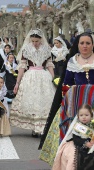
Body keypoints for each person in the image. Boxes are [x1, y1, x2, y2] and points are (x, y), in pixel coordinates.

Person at [39, 32, 94, 166]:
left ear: (93, 45)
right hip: (75, 105)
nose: (85, 46)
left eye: (88, 43)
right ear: (77, 45)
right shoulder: (72, 61)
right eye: (82, 43)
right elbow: (67, 83)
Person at [9, 29, 56, 136]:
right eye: (33, 41)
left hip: (44, 77)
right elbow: (22, 66)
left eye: (37, 41)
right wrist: (17, 82)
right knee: (32, 100)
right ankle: (34, 127)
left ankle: (42, 127)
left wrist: (53, 79)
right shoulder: (26, 49)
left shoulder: (46, 49)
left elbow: (49, 65)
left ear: (41, 40)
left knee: (43, 101)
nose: (35, 43)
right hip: (30, 77)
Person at [52, 104, 94, 170]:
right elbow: (76, 139)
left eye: (86, 115)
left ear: (91, 116)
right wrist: (86, 143)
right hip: (77, 144)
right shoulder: (77, 126)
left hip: (90, 146)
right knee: (73, 158)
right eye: (81, 115)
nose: (84, 117)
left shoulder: (92, 126)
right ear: (78, 116)